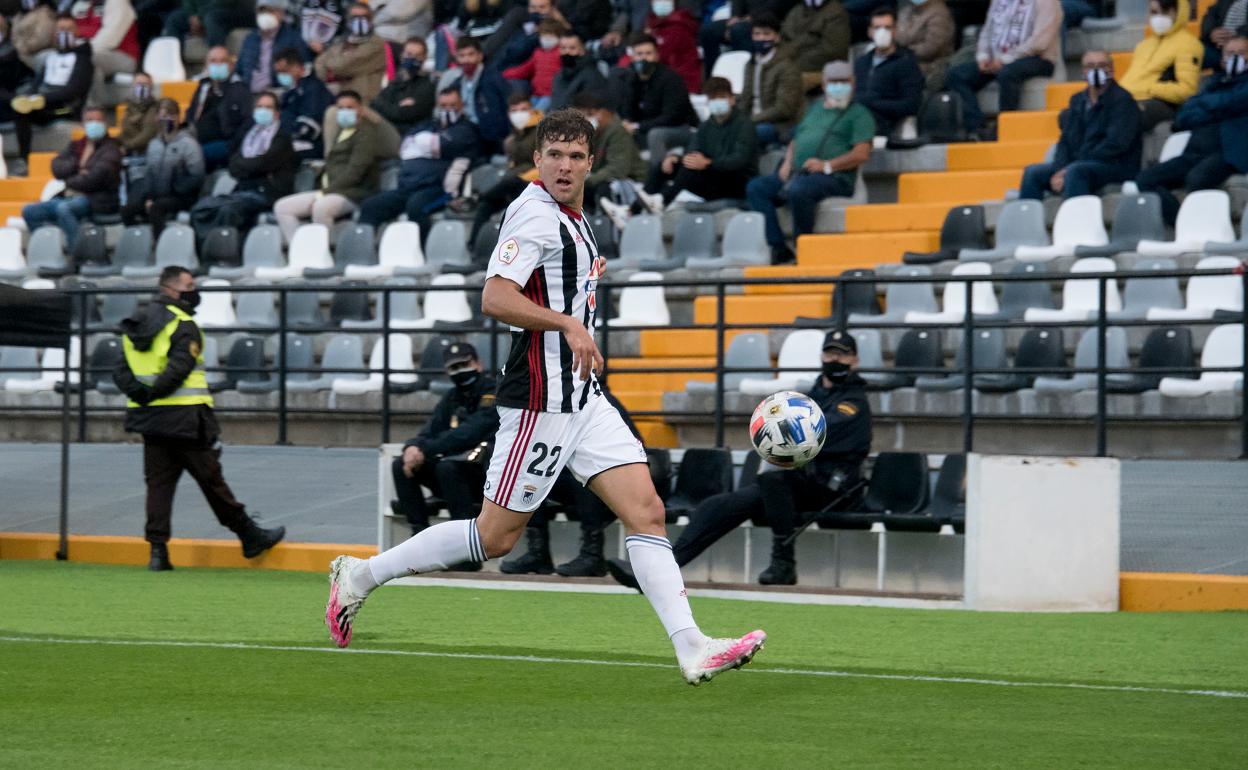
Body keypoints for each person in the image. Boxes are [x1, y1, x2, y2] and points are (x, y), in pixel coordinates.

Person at [325, 107, 766, 685]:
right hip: (539, 401)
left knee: (647, 512)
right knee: (495, 537)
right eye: (553, 155)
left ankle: (692, 648)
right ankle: (360, 576)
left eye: (575, 156)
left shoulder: (574, 216)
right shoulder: (533, 215)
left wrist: (582, 283)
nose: (564, 165)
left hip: (582, 397)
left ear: (591, 162)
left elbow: (555, 278)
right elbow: (496, 297)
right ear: (536, 160)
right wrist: (567, 322)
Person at [607, 330, 872, 588]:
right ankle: (659, 575)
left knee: (775, 479)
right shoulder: (809, 398)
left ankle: (783, 563)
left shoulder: (854, 403)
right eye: (830, 353)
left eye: (843, 355)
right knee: (717, 506)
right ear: (821, 357)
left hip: (834, 490)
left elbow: (811, 435)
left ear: (855, 361)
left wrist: (777, 430)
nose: (835, 360)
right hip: (795, 483)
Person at [112, 266, 286, 572]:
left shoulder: (135, 322)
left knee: (158, 485)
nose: (195, 290)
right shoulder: (184, 324)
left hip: (150, 420)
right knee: (212, 481)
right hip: (185, 419)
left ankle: (158, 552)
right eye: (189, 285)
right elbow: (178, 370)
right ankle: (249, 535)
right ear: (170, 289)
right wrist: (154, 394)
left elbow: (120, 370)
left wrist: (143, 396)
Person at [746, 61, 874, 264]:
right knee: (757, 188)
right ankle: (778, 248)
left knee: (800, 190)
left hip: (835, 177)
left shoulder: (860, 114)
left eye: (844, 81)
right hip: (798, 172)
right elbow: (796, 139)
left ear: (853, 83)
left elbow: (861, 153)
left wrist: (826, 166)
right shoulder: (814, 109)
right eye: (833, 81)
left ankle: (803, 247)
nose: (838, 86)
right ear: (824, 84)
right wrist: (787, 162)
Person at [391, 342, 499, 549]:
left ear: (478, 364)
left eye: (464, 364)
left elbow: (470, 433)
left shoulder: (493, 391)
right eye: (453, 368)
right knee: (400, 466)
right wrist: (412, 448)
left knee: (447, 468)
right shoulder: (452, 397)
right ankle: (419, 543)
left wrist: (425, 450)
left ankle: (465, 549)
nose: (460, 372)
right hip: (452, 476)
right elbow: (430, 430)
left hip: (485, 476)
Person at [603, 76, 756, 222]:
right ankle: (631, 211)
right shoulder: (707, 125)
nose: (716, 102)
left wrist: (709, 163)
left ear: (731, 99)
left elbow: (740, 160)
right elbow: (692, 149)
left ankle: (661, 201)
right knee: (665, 166)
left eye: (720, 97)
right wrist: (676, 158)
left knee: (690, 168)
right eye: (712, 98)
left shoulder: (744, 125)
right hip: (713, 176)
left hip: (736, 182)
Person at [1135, 37, 1248, 225]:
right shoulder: (1211, 83)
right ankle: (1182, 222)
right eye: (1230, 54)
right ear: (1221, 59)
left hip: (1228, 153)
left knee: (1196, 179)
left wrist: (1207, 105)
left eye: (1241, 53)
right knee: (1145, 179)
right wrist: (1216, 107)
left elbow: (1234, 101)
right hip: (1194, 153)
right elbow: (1183, 117)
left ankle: (1203, 227)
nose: (1235, 58)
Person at [357, 86, 482, 238]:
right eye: (443, 106)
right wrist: (433, 148)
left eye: (452, 105)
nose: (448, 109)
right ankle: (365, 251)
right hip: (408, 187)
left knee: (416, 207)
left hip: (440, 189)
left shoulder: (467, 130)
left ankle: (421, 254)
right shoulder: (428, 125)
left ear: (462, 106)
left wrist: (427, 145)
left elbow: (441, 144)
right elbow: (405, 149)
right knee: (371, 206)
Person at [1019, 50, 1142, 201]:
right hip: (1079, 164)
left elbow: (1115, 145)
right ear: (1083, 71)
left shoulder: (1123, 101)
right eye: (1090, 66)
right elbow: (1065, 141)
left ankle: (1076, 222)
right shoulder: (1077, 100)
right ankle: (1029, 222)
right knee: (1033, 172)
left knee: (1075, 172)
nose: (1096, 70)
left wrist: (1069, 169)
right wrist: (1060, 169)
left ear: (1112, 69)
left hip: (1115, 165)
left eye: (1102, 65)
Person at [943, 0, 1062, 140]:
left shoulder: (1047, 2)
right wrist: (983, 56)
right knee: (956, 75)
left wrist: (1006, 58)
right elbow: (987, 31)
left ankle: (1004, 127)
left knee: (1008, 73)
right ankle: (977, 128)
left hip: (1038, 59)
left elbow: (1039, 43)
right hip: (997, 59)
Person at [273, 90, 381, 242]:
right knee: (283, 207)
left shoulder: (366, 133)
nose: (345, 112)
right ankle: (300, 252)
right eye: (341, 108)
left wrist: (324, 193)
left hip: (353, 193)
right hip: (328, 190)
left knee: (321, 207)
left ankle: (323, 253)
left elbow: (355, 171)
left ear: (361, 110)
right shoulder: (341, 131)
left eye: (350, 108)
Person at [22, 104, 119, 244]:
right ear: (83, 124)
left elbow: (93, 179)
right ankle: (49, 249)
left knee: (64, 209)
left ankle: (79, 253)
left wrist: (68, 179)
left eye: (98, 120)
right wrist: (77, 167)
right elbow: (56, 167)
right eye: (90, 120)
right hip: (68, 196)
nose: (94, 124)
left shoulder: (111, 149)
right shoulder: (76, 145)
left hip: (96, 199)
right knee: (30, 211)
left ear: (105, 123)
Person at [10, 14, 94, 165]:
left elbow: (73, 91)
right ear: (55, 33)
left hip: (65, 110)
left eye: (69, 29)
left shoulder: (83, 60)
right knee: (19, 107)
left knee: (37, 107)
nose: (64, 33)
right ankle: (24, 158)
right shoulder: (51, 57)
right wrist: (29, 97)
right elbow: (37, 83)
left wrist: (42, 99)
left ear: (77, 32)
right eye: (61, 29)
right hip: (44, 105)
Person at [467, 94, 543, 247]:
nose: (519, 114)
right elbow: (515, 162)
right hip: (515, 182)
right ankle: (474, 247)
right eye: (514, 111)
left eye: (523, 109)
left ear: (532, 110)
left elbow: (545, 163)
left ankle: (476, 198)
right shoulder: (515, 135)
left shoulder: (542, 131)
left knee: (508, 184)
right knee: (486, 206)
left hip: (535, 182)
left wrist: (522, 177)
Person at [122, 99, 205, 236]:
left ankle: (158, 245)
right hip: (157, 195)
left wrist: (174, 189)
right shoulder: (154, 144)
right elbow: (149, 173)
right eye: (162, 115)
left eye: (170, 115)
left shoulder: (189, 144)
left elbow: (197, 176)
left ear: (178, 117)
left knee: (157, 208)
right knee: (127, 210)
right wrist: (148, 196)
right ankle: (139, 239)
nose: (165, 119)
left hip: (182, 196)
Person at [1119, 0, 1203, 131]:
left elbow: (1187, 91)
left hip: (1161, 103)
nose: (1158, 17)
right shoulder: (1144, 45)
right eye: (1153, 12)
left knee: (1123, 117)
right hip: (1131, 99)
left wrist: (1151, 88)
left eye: (1165, 12)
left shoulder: (1188, 45)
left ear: (1177, 13)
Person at [618, 32, 697, 163]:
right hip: (646, 127)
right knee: (615, 129)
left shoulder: (671, 79)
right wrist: (626, 122)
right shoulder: (632, 78)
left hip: (679, 128)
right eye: (639, 54)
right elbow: (628, 108)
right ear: (632, 57)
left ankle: (657, 177)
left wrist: (638, 126)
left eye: (648, 53)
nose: (644, 59)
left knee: (656, 134)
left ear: (657, 55)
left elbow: (672, 116)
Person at [853, 7, 924, 137]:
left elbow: (911, 105)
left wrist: (873, 102)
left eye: (887, 27)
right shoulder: (862, 62)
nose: (882, 32)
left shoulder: (906, 63)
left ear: (895, 31)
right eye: (877, 28)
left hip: (883, 123)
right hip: (856, 119)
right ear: (870, 32)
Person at [573, 91, 648, 210]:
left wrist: (587, 180)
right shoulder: (591, 134)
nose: (584, 121)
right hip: (601, 179)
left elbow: (618, 169)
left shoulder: (618, 132)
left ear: (602, 112)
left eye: (589, 114)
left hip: (631, 182)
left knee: (599, 189)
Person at [738, 13, 803, 148]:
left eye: (766, 34)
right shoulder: (750, 64)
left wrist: (750, 120)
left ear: (777, 37)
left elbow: (784, 109)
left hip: (778, 125)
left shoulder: (787, 67)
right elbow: (745, 100)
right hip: (752, 121)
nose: (761, 38)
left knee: (746, 133)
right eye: (757, 34)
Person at [185, 46, 253, 170]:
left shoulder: (240, 90)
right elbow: (191, 113)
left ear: (231, 65)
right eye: (213, 61)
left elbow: (247, 123)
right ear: (206, 66)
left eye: (223, 61)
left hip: (225, 143)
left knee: (188, 157)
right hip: (196, 139)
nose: (218, 64)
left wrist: (232, 145)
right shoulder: (203, 86)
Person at [436, 36, 510, 144]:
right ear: (456, 58)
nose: (466, 60)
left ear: (480, 56)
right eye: (462, 55)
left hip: (489, 137)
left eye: (471, 54)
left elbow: (507, 108)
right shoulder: (456, 84)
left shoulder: (494, 80)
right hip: (463, 131)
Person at [315, 2, 388, 102]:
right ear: (348, 20)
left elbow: (342, 66)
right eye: (355, 17)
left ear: (370, 21)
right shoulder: (341, 41)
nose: (359, 20)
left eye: (364, 17)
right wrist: (330, 71)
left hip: (363, 101)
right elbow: (319, 63)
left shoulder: (376, 43)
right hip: (338, 98)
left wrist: (331, 67)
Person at [238, 1, 313, 95]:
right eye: (262, 11)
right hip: (249, 94)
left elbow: (306, 67)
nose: (265, 15)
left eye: (271, 11)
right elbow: (239, 69)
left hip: (280, 93)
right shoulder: (250, 39)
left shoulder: (294, 38)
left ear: (281, 13)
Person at [275, 47, 335, 160]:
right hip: (288, 138)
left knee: (275, 153)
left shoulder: (314, 89)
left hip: (311, 144)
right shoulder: (291, 90)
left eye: (284, 71)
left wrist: (282, 138)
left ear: (298, 67)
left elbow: (309, 128)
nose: (281, 75)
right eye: (278, 72)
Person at [372, 37, 436, 136]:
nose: (412, 59)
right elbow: (375, 103)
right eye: (409, 54)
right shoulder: (396, 81)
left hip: (408, 135)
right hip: (386, 130)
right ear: (402, 56)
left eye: (417, 55)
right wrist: (395, 107)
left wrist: (387, 106)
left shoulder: (428, 85)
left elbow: (404, 114)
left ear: (424, 58)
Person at [781, 0, 851, 91]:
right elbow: (784, 39)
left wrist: (795, 62)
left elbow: (834, 50)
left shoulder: (835, 12)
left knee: (787, 84)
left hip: (818, 70)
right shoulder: (797, 9)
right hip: (793, 66)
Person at [77, 0, 141, 100]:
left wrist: (79, 51)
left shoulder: (117, 3)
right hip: (94, 53)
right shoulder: (81, 4)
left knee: (85, 59)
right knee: (46, 56)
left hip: (123, 56)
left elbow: (110, 40)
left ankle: (94, 109)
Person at [502, 17, 567, 111]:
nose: (547, 38)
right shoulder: (538, 53)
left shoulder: (560, 53)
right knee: (526, 113)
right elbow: (525, 69)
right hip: (536, 94)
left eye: (551, 35)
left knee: (535, 116)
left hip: (550, 95)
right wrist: (506, 74)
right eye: (544, 35)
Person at [895, 0, 955, 93]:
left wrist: (906, 51)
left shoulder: (939, 13)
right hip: (906, 59)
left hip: (932, 65)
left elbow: (931, 48)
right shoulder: (907, 10)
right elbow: (898, 36)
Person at [699, 0, 773, 74]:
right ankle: (714, 77)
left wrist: (750, 17)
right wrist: (734, 18)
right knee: (708, 31)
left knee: (738, 30)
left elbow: (776, 5)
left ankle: (744, 75)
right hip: (743, 19)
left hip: (768, 18)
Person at [644, 0, 700, 93]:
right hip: (664, 79)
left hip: (682, 83)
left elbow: (660, 57)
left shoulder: (679, 27)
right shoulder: (652, 24)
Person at [163, 0, 257, 48]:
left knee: (212, 18)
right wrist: (192, 14)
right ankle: (173, 67)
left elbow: (225, 2)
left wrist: (200, 16)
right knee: (174, 19)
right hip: (206, 13)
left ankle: (216, 63)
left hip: (237, 9)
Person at [549, 31, 607, 109]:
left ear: (582, 50)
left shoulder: (591, 74)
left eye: (572, 48)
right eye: (563, 48)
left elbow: (592, 107)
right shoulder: (559, 75)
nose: (567, 52)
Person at [117, 72, 159, 156]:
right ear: (132, 86)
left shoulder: (155, 108)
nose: (142, 87)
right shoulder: (130, 107)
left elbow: (148, 135)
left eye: (145, 84)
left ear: (151, 88)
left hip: (146, 153)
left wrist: (126, 146)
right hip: (130, 151)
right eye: (139, 84)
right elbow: (124, 131)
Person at [1200, 0, 1248, 69]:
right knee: (1193, 52)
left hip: (1243, 47)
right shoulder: (1224, 1)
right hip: (1217, 48)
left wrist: (1236, 38)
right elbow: (1210, 16)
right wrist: (1211, 32)